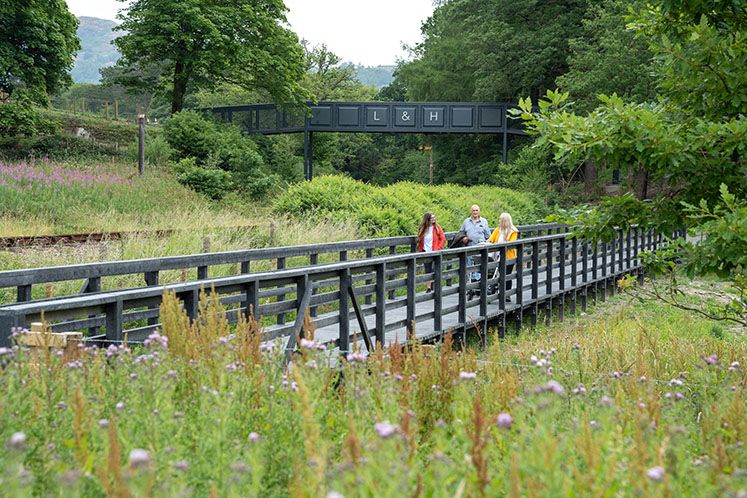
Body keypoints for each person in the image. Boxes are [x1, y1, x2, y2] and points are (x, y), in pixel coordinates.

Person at [489, 212, 520, 302]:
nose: (499, 221)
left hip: (509, 256)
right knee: (498, 273)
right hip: (498, 255)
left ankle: (507, 294)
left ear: (504, 221)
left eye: (500, 219)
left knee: (507, 274)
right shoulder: (497, 230)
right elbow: (491, 239)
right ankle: (498, 291)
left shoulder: (513, 231)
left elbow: (511, 243)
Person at [416, 212, 446, 292]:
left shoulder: (436, 227)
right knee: (427, 269)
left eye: (434, 218)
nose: (433, 219)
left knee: (434, 269)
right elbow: (419, 239)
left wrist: (439, 248)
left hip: (435, 251)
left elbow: (443, 239)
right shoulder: (423, 228)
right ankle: (429, 288)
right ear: (427, 219)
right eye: (431, 218)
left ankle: (435, 287)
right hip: (426, 251)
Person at [460, 205, 491, 281]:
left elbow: (488, 236)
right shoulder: (466, 221)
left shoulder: (484, 221)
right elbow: (461, 233)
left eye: (476, 210)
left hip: (481, 250)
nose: (475, 212)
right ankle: (469, 286)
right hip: (469, 249)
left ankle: (479, 286)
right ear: (471, 211)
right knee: (469, 267)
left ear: (479, 211)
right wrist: (464, 238)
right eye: (473, 210)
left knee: (480, 268)